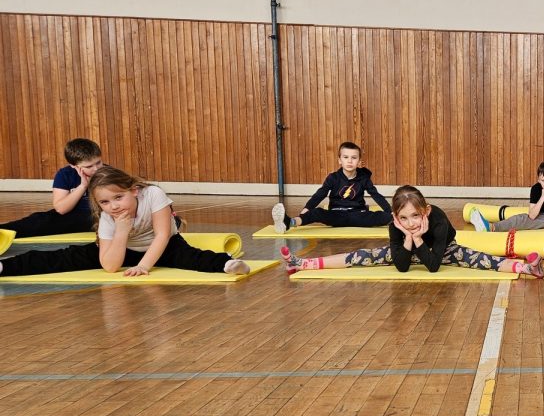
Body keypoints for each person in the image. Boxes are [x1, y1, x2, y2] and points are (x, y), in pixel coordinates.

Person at [0, 167, 249, 276]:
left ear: (134, 190)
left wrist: (144, 266)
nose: (114, 206)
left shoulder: (153, 194)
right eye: (105, 202)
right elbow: (110, 267)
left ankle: (228, 264)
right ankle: (6, 267)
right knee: (65, 257)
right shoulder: (107, 217)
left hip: (162, 246)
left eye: (118, 197)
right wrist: (121, 231)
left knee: (191, 257)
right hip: (122, 250)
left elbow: (163, 235)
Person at [282, 185, 543, 278]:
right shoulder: (398, 226)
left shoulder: (438, 220)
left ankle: (528, 268)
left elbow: (433, 266)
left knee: (480, 259)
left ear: (426, 211)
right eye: (403, 218)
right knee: (362, 256)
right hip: (408, 249)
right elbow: (402, 267)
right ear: (396, 217)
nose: (410, 222)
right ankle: (303, 263)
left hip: (444, 250)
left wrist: (417, 238)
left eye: (415, 216)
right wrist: (408, 238)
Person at [271, 141, 391, 232]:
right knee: (317, 212)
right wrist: (307, 208)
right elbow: (320, 194)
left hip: (358, 215)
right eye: (346, 157)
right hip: (336, 214)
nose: (350, 161)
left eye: (354, 158)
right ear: (339, 160)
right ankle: (289, 222)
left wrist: (389, 211)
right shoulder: (333, 178)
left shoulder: (363, 178)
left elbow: (376, 195)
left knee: (380, 216)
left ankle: (397, 220)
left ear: (359, 162)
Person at [0, 138, 104, 237]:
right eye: (89, 166)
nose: (96, 169)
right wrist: (83, 186)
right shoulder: (65, 174)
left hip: (98, 218)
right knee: (40, 219)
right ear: (73, 166)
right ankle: (3, 231)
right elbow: (61, 209)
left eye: (98, 162)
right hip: (71, 217)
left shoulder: (108, 174)